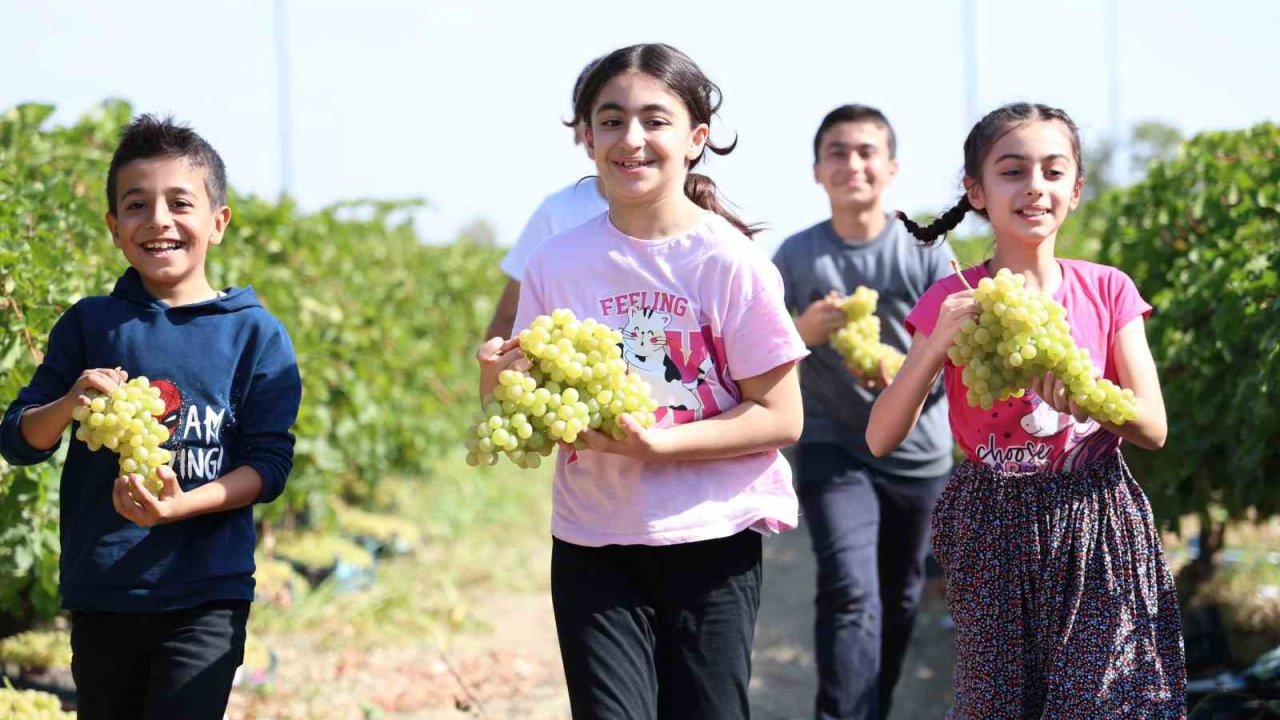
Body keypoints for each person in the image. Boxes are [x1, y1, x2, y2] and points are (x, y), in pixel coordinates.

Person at [475, 43, 807, 720]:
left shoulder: (729, 262)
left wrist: (660, 448)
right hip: (594, 540)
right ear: (587, 137)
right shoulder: (557, 263)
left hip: (712, 538)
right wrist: (495, 380)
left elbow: (780, 417)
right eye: (611, 120)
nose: (631, 139)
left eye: (655, 120)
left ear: (696, 139)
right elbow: (526, 413)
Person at [866, 102, 1185, 718]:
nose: (1034, 186)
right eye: (1012, 171)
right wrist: (935, 344)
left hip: (1096, 519)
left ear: (1076, 189)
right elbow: (882, 436)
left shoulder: (1109, 289)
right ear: (976, 192)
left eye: (1053, 171)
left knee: (1106, 701)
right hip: (989, 523)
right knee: (1000, 705)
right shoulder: (950, 300)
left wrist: (1091, 396)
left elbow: (1153, 428)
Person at [0, 115, 303, 720]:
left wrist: (181, 506)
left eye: (179, 202)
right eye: (136, 205)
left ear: (218, 222)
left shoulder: (256, 335)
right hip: (102, 589)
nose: (158, 220)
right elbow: (18, 439)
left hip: (207, 592)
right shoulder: (90, 324)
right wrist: (66, 406)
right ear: (114, 228)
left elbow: (268, 467)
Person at [772, 104, 955, 720]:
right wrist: (801, 331)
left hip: (918, 450)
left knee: (900, 595)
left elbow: (959, 353)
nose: (853, 164)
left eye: (866, 152)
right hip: (832, 443)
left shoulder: (926, 250)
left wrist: (904, 380)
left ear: (891, 167)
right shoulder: (794, 258)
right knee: (851, 590)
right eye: (838, 153)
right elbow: (758, 354)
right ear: (817, 171)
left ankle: (868, 707)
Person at [485, 58, 610, 341]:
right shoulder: (558, 212)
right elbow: (508, 317)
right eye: (609, 121)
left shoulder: (698, 222)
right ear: (582, 133)